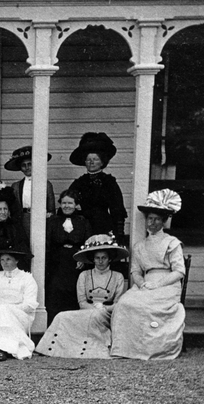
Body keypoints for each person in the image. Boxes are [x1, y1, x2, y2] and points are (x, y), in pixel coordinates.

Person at [111, 189, 186, 360]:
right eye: (149, 219)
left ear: (163, 221)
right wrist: (141, 282)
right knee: (124, 303)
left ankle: (150, 349)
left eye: (156, 219)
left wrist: (157, 284)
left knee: (146, 306)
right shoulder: (139, 245)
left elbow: (179, 271)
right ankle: (127, 349)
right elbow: (135, 270)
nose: (152, 223)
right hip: (145, 284)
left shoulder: (171, 243)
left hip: (167, 285)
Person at [35, 234, 127, 359]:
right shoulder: (84, 275)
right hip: (86, 310)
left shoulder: (118, 277)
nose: (100, 261)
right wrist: (93, 308)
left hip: (106, 313)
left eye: (104, 258)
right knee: (62, 315)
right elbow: (82, 301)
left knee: (96, 315)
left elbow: (118, 304)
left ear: (109, 259)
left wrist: (104, 309)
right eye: (97, 258)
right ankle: (50, 348)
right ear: (92, 259)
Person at [0, 246, 38, 361]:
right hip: (0, 309)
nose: (5, 263)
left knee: (4, 311)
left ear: (16, 260)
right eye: (2, 260)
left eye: (8, 259)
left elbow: (30, 304)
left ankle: (3, 349)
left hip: (20, 313)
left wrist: (10, 308)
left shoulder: (27, 278)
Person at [45, 189, 92, 323]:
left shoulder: (83, 221)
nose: (66, 206)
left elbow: (88, 243)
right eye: (64, 203)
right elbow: (48, 243)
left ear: (76, 205)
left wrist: (83, 259)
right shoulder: (53, 221)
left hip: (76, 262)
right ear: (60, 204)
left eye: (70, 203)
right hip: (57, 263)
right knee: (56, 293)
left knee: (73, 293)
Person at [68, 132, 127, 238]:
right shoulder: (79, 183)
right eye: (88, 160)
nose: (91, 162)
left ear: (102, 162)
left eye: (95, 159)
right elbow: (68, 203)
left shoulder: (109, 182)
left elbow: (117, 210)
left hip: (102, 226)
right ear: (84, 162)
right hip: (82, 228)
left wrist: (119, 235)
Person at [5, 146, 56, 238]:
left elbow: (51, 207)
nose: (27, 167)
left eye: (30, 164)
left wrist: (49, 216)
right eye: (24, 165)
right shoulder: (16, 186)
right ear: (20, 168)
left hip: (40, 218)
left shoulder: (45, 184)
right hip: (23, 218)